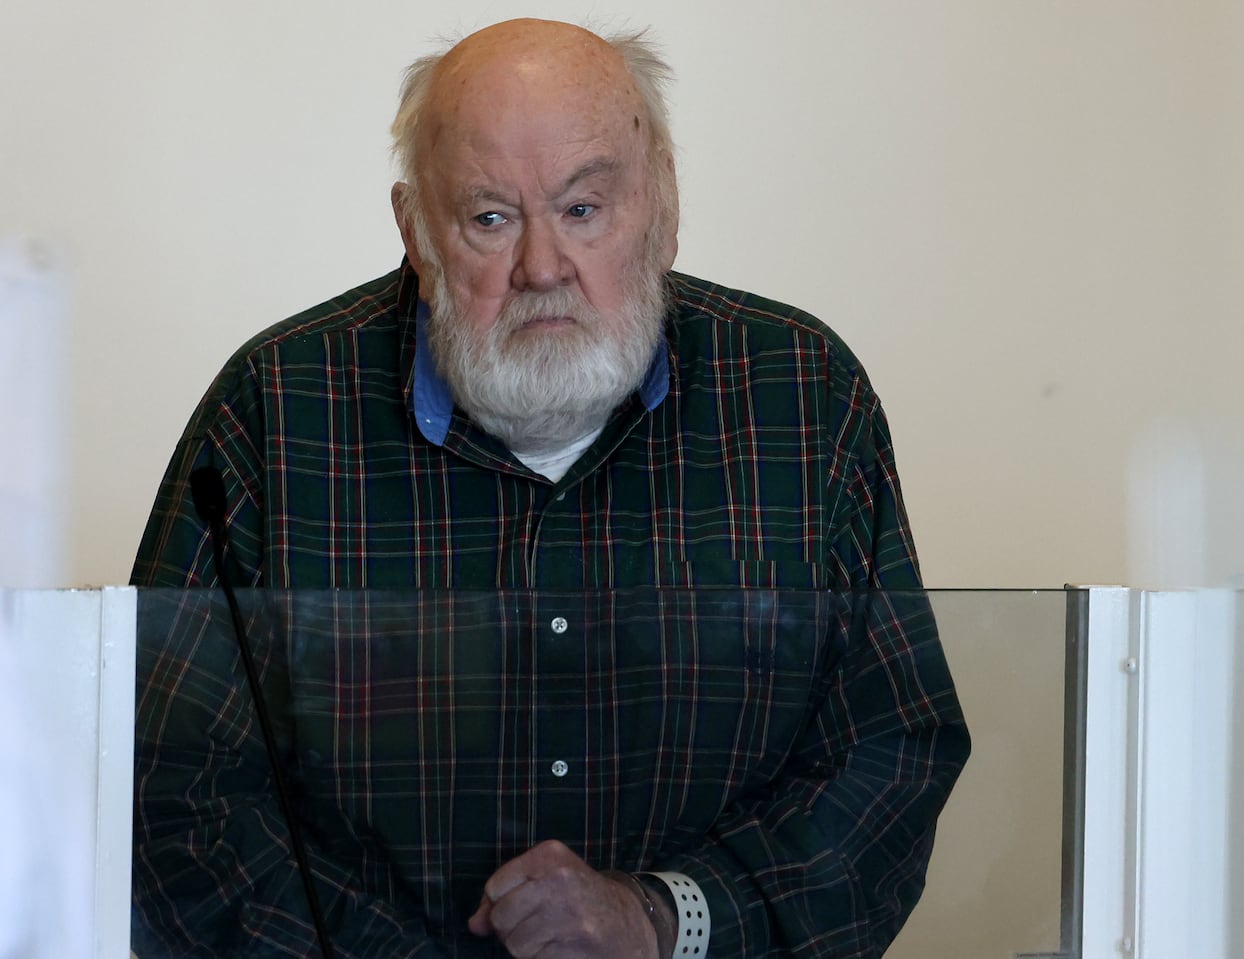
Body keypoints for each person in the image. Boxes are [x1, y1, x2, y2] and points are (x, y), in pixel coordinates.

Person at [131, 18, 969, 959]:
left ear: (662, 207)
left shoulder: (802, 395)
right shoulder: (275, 409)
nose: (541, 266)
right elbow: (168, 795)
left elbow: (889, 759)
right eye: (490, 217)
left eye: (583, 209)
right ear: (415, 230)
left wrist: (662, 920)